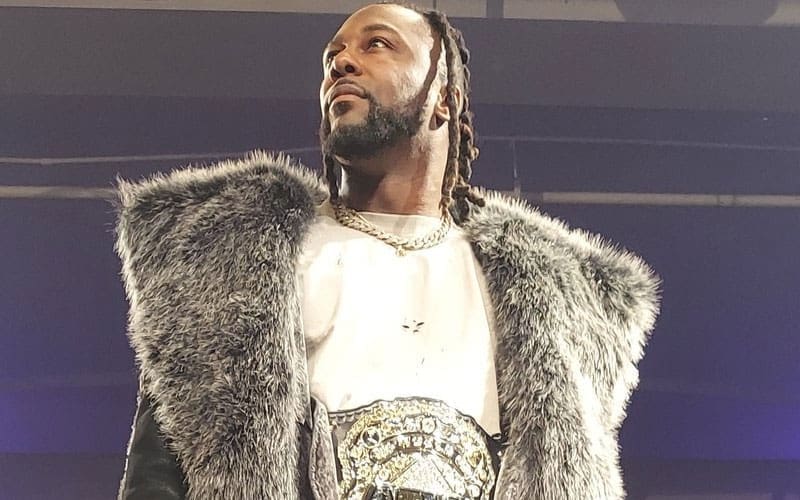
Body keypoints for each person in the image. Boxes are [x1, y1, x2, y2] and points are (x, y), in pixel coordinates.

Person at [115, 2, 660, 499]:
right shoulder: (234, 260)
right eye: (332, 56)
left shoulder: (552, 300)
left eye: (376, 44)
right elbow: (159, 477)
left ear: (444, 98)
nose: (341, 63)